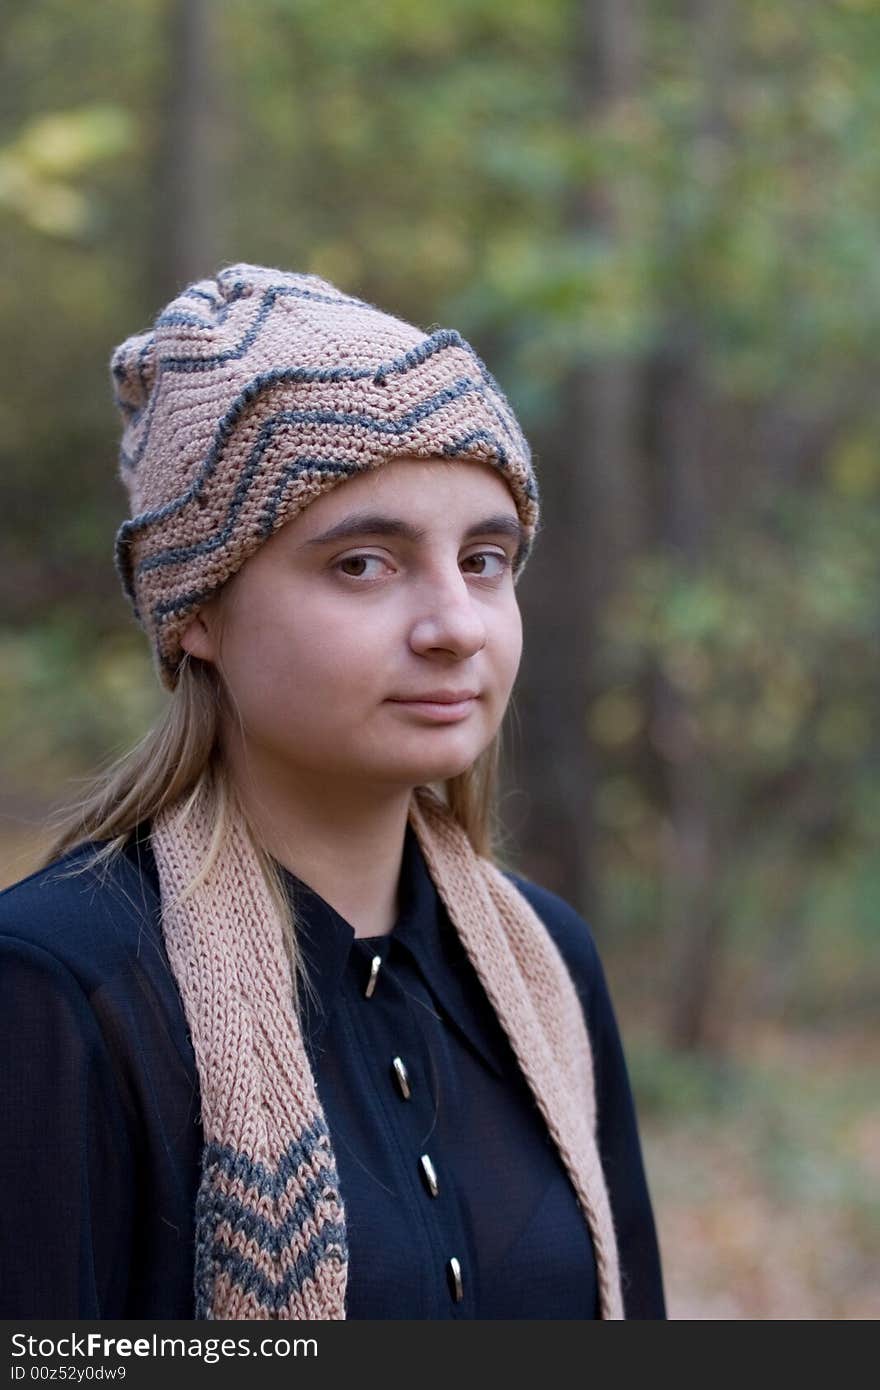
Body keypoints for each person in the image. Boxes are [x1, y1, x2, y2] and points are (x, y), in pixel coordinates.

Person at [0, 263, 666, 1321]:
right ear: (197, 613)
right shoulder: (61, 988)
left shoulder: (547, 963)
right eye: (363, 563)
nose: (455, 623)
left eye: (486, 559)